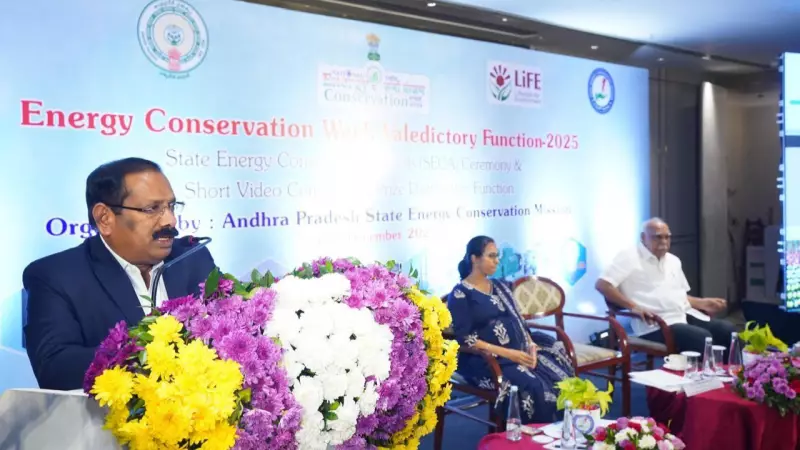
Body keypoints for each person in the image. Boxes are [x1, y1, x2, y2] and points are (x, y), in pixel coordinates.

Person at [23, 158, 216, 390]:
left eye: (171, 206)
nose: (170, 220)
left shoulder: (192, 258)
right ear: (105, 218)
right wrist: (152, 352)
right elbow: (54, 369)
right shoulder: (57, 276)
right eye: (152, 209)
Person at [447, 236, 575, 424]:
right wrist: (510, 354)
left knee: (558, 373)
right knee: (533, 385)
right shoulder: (460, 294)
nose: (497, 261)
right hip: (485, 360)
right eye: (491, 256)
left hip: (519, 351)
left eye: (497, 256)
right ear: (475, 259)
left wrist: (530, 345)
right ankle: (532, 435)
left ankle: (562, 432)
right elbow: (465, 339)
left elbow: (518, 320)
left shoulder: (501, 286)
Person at [595, 217, 736, 355]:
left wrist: (703, 303)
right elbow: (602, 285)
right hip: (654, 324)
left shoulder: (674, 261)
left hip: (682, 315)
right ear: (643, 237)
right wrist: (634, 307)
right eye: (658, 237)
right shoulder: (629, 257)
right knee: (702, 337)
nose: (664, 242)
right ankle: (704, 370)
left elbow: (679, 296)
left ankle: (728, 370)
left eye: (667, 237)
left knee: (726, 330)